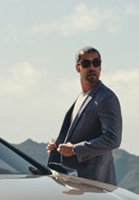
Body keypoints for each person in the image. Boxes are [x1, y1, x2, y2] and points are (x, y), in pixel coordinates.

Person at [46, 45, 122, 184]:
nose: (92, 67)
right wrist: (57, 146)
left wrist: (76, 149)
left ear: (100, 66)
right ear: (78, 68)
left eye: (96, 62)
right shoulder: (82, 98)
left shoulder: (106, 97)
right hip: (74, 182)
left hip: (96, 183)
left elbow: (113, 139)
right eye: (86, 63)